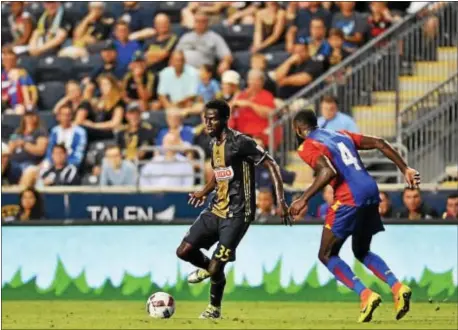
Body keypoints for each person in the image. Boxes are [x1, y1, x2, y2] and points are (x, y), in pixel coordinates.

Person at [289, 109, 421, 322]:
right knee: (361, 249)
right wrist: (405, 168)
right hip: (371, 190)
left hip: (348, 197)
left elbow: (328, 171)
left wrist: (303, 199)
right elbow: (380, 142)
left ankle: (365, 294)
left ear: (297, 129)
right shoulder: (341, 134)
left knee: (326, 254)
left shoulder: (307, 146)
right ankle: (397, 287)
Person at [176, 99, 291, 319]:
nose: (208, 123)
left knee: (217, 268)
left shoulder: (241, 142)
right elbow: (220, 173)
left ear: (225, 119)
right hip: (215, 209)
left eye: (213, 119)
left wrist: (281, 201)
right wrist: (204, 191)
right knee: (184, 251)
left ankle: (214, 308)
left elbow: (271, 164)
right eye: (205, 119)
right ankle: (209, 268)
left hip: (239, 213)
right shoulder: (212, 144)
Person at [175, 12, 233, 76]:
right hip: (183, 71)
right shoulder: (185, 37)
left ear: (207, 23)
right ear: (194, 23)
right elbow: (175, 54)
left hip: (203, 72)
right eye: (197, 21)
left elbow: (227, 55)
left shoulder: (215, 37)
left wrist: (225, 63)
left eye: (203, 21)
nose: (200, 24)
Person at [79, 74, 125, 141]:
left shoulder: (118, 102)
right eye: (102, 85)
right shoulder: (98, 101)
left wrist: (94, 125)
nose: (104, 87)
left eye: (107, 84)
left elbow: (115, 123)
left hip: (109, 132)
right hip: (97, 130)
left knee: (84, 130)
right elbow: (85, 100)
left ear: (113, 85)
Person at [8, 111, 48, 187]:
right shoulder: (17, 131)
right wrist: (13, 145)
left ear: (36, 118)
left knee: (27, 169)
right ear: (24, 118)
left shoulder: (40, 132)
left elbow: (40, 151)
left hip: (30, 163)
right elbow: (10, 149)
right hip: (13, 163)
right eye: (27, 116)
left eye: (32, 116)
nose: (30, 118)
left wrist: (24, 144)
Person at [1, 47, 38, 114]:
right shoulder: (2, 76)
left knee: (19, 109)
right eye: (6, 60)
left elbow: (32, 92)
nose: (9, 63)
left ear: (15, 60)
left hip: (19, 105)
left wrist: (31, 103)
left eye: (11, 60)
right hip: (4, 105)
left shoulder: (22, 74)